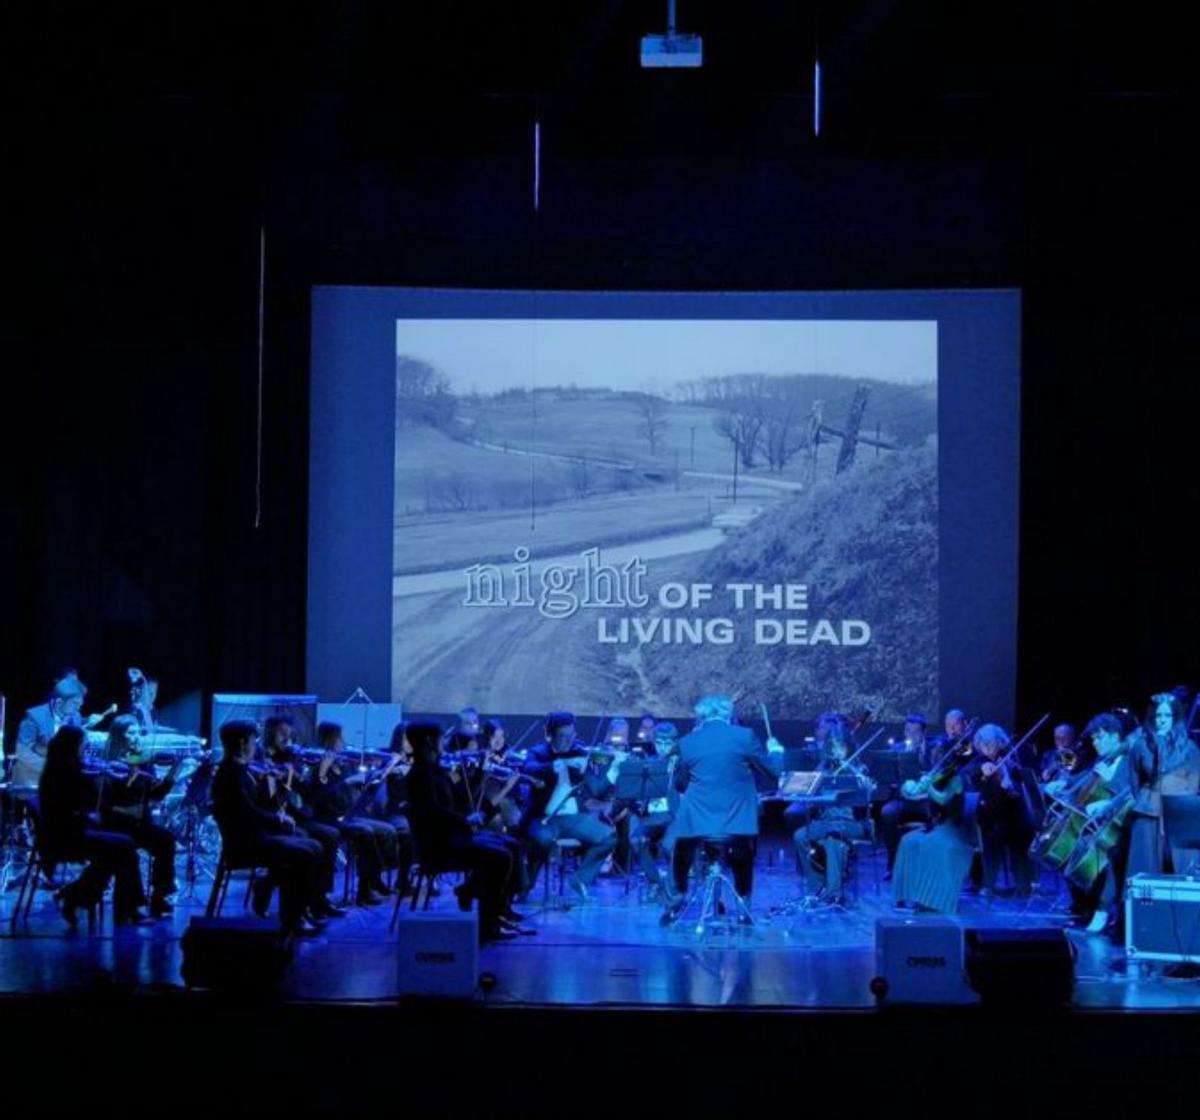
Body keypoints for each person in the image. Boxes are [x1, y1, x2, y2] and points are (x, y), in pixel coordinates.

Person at [404, 720, 531, 943]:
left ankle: (493, 908)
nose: (443, 744)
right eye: (440, 739)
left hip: (452, 836)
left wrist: (477, 774)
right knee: (500, 856)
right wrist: (466, 819)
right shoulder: (419, 775)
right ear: (429, 742)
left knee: (510, 844)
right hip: (439, 845)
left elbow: (459, 797)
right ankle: (487, 925)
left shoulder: (435, 770)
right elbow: (434, 813)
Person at [662, 694, 783, 922]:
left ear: (701, 716)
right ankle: (743, 907)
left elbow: (679, 784)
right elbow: (773, 773)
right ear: (728, 714)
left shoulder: (688, 741)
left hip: (698, 822)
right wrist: (776, 751)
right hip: (735, 820)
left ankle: (674, 903)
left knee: (681, 850)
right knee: (742, 851)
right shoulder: (744, 736)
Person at [210, 720, 326, 936]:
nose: (256, 745)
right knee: (306, 851)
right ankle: (293, 918)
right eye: (253, 740)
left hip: (254, 835)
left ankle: (299, 911)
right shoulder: (231, 773)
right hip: (244, 843)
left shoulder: (240, 770)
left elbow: (253, 807)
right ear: (243, 742)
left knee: (313, 846)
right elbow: (246, 812)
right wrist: (278, 820)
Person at [37, 726, 148, 927]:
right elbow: (85, 803)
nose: (85, 749)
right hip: (65, 837)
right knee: (124, 848)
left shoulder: (57, 768)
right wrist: (100, 779)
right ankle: (123, 907)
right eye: (82, 745)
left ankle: (75, 896)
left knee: (118, 852)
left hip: (69, 831)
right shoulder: (66, 773)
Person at [519, 712, 617, 901]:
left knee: (608, 837)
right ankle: (526, 885)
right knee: (543, 839)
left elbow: (599, 786)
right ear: (551, 735)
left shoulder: (580, 752)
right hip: (544, 817)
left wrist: (604, 769)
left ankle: (580, 879)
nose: (569, 741)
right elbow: (528, 767)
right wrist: (557, 764)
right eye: (563, 736)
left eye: (572, 736)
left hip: (572, 818)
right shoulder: (539, 753)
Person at [256, 717, 346, 919]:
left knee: (330, 835)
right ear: (270, 733)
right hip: (271, 818)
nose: (288, 738)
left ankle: (319, 898)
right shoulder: (261, 758)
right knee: (309, 840)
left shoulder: (290, 758)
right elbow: (268, 800)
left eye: (290, 733)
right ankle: (297, 904)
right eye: (282, 732)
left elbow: (311, 797)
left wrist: (319, 773)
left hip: (294, 816)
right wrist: (282, 777)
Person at [304, 721, 400, 906]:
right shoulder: (316, 766)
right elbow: (318, 799)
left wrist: (376, 775)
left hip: (347, 815)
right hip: (327, 819)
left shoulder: (343, 764)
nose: (343, 742)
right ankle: (368, 886)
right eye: (340, 737)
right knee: (366, 832)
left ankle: (371, 882)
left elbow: (356, 796)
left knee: (386, 830)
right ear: (330, 739)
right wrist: (345, 782)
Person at [891, 723, 980, 915]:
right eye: (936, 756)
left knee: (930, 845)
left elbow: (943, 798)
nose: (936, 758)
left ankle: (932, 899)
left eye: (940, 755)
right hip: (936, 826)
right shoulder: (938, 774)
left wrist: (929, 786)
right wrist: (909, 787)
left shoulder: (956, 778)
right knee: (908, 841)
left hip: (953, 828)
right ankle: (908, 895)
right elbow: (913, 793)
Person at [96, 715, 178, 916]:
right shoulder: (110, 764)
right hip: (116, 823)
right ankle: (131, 905)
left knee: (166, 840)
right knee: (128, 851)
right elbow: (108, 802)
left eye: (138, 732)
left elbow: (156, 795)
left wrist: (173, 773)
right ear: (118, 736)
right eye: (131, 733)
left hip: (139, 823)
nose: (136, 737)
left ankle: (160, 896)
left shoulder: (140, 761)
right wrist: (127, 799)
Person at [786, 712, 872, 902]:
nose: (837, 751)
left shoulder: (860, 769)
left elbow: (866, 798)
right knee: (800, 835)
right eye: (832, 746)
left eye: (840, 746)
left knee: (833, 838)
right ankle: (815, 884)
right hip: (827, 822)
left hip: (853, 824)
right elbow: (809, 792)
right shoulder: (823, 768)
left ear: (848, 746)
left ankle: (833, 893)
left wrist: (860, 782)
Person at [1126, 692, 1200, 877]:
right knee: (1143, 866)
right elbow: (1135, 781)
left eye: (1167, 715)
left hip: (1179, 812)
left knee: (1183, 868)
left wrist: (1176, 804)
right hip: (1148, 810)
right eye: (1158, 715)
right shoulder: (1141, 745)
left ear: (1175, 718)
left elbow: (1194, 782)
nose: (1162, 720)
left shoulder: (1189, 747)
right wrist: (1150, 799)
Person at [970, 723, 1036, 897]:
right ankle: (989, 884)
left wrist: (1011, 771)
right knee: (995, 832)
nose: (988, 749)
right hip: (990, 813)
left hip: (1014, 812)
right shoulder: (979, 761)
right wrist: (982, 769)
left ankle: (1023, 885)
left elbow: (1023, 775)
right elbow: (972, 774)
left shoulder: (1011, 756)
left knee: (1023, 830)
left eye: (992, 744)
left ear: (1000, 743)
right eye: (984, 745)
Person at [878, 714, 934, 872]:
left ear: (924, 732)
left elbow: (941, 772)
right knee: (887, 812)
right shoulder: (897, 750)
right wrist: (894, 781)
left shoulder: (935, 748)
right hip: (903, 799)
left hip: (926, 800)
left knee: (938, 813)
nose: (911, 735)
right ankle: (893, 863)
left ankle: (929, 866)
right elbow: (888, 777)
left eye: (916, 731)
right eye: (908, 731)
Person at [12, 674, 89, 786]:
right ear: (58, 702)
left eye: (80, 704)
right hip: (34, 778)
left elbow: (78, 748)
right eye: (75, 704)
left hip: (63, 779)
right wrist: (52, 768)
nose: (78, 708)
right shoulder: (34, 717)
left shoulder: (75, 715)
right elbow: (22, 752)